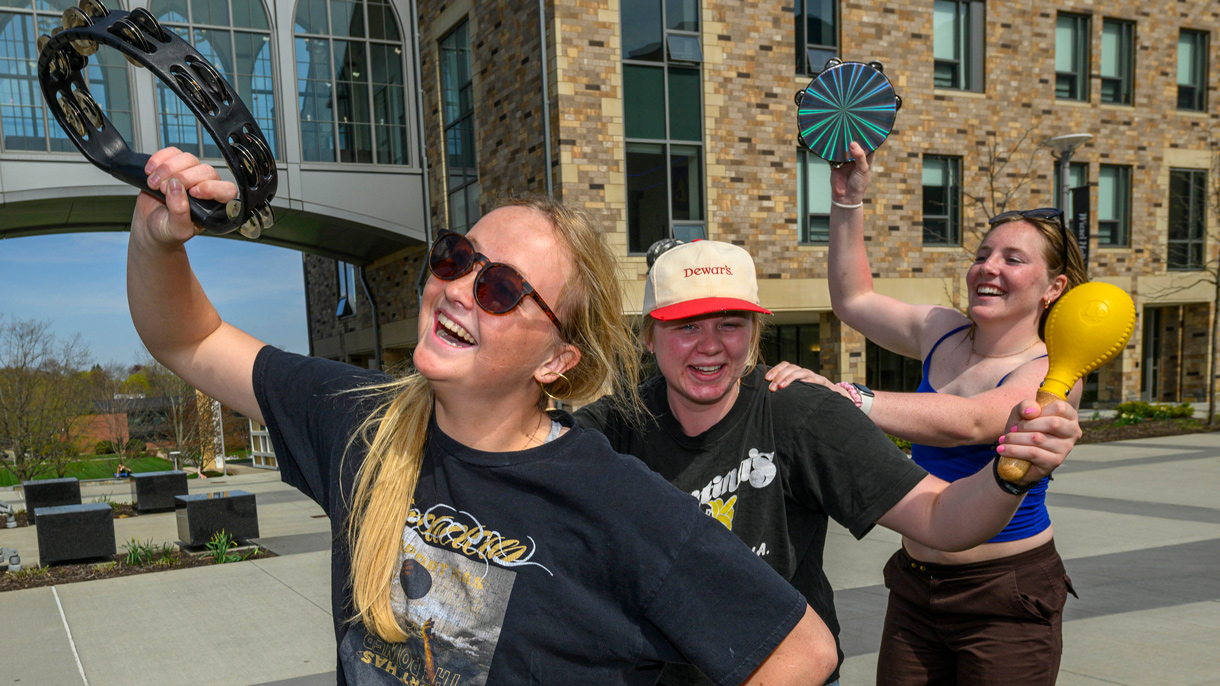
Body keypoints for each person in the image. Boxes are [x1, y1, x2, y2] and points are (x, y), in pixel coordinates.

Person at [128, 147, 837, 685]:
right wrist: (157, 238)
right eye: (457, 257)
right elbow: (187, 339)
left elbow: (801, 651)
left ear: (556, 359)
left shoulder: (615, 500)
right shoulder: (361, 424)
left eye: (501, 288)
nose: (461, 289)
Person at [575, 236, 1081, 686]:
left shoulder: (800, 411)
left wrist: (1012, 475)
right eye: (687, 326)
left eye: (730, 324)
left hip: (792, 671)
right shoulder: (616, 425)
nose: (711, 345)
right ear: (649, 336)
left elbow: (939, 517)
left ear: (754, 331)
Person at [766, 140, 1089, 684]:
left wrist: (846, 397)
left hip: (1005, 596)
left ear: (1053, 287)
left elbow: (972, 421)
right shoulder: (942, 330)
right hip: (916, 587)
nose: (987, 268)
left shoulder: (1053, 370)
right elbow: (853, 300)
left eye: (1012, 260)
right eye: (982, 255)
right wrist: (847, 200)